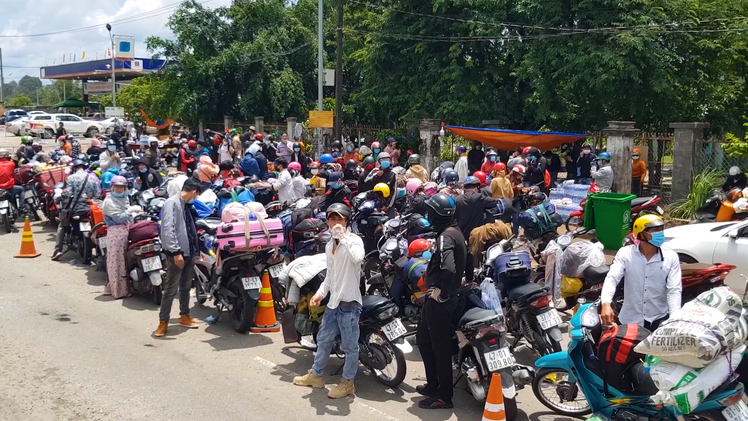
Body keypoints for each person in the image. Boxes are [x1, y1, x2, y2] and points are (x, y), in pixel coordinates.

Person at [293, 203, 365, 399]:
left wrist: (343, 237)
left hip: (349, 303)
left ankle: (347, 382)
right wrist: (320, 293)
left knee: (350, 347)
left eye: (339, 219)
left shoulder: (354, 240)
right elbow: (330, 276)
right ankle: (316, 375)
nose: (335, 223)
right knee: (324, 340)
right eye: (332, 219)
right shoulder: (328, 245)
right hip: (333, 302)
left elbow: (358, 258)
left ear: (346, 221)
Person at [416, 193, 466, 409]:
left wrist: (442, 293)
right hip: (440, 298)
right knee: (423, 340)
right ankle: (433, 383)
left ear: (436, 214)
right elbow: (469, 258)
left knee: (440, 348)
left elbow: (448, 268)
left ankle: (444, 396)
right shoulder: (456, 232)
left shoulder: (445, 236)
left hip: (441, 300)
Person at [601, 214, 681, 330]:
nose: (660, 233)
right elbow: (612, 279)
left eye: (661, 229)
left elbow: (674, 290)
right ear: (641, 233)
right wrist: (606, 304)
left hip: (658, 320)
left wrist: (674, 319)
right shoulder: (625, 254)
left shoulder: (671, 257)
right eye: (655, 230)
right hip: (630, 319)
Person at [153, 178, 202, 337]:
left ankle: (184, 315)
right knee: (170, 289)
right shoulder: (172, 203)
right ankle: (163, 322)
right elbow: (168, 228)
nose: (196, 198)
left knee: (186, 286)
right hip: (177, 253)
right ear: (193, 191)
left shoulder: (186, 205)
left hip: (189, 251)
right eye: (196, 195)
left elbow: (190, 228)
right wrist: (175, 252)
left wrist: (194, 252)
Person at [51, 160, 101, 261]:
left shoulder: (71, 178)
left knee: (62, 225)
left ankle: (58, 250)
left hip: (75, 209)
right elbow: (97, 194)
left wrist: (60, 197)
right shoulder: (93, 178)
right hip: (90, 209)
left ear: (74, 168)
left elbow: (68, 193)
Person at [102, 176, 139, 299]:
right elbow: (118, 218)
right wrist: (130, 210)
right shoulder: (109, 202)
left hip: (127, 229)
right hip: (116, 233)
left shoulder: (125, 198)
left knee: (127, 260)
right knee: (118, 263)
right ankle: (119, 291)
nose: (119, 189)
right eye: (117, 187)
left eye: (122, 187)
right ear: (112, 188)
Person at [455, 176, 497, 281]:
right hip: (478, 235)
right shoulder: (479, 198)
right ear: (477, 187)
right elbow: (494, 203)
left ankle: (469, 279)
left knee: (467, 258)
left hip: (462, 235)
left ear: (464, 188)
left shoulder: (457, 200)